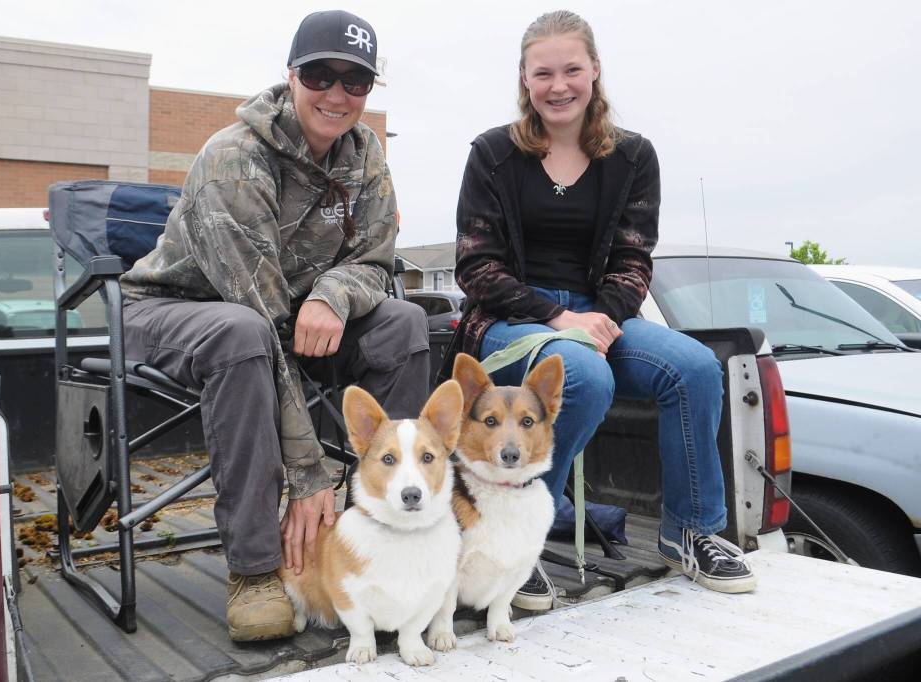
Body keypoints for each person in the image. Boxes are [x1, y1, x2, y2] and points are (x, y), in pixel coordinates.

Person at [119, 10, 430, 641]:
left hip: (285, 320)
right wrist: (308, 474)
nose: (337, 94)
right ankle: (257, 568)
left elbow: (374, 262)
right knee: (242, 334)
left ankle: (373, 533)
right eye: (320, 74)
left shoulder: (366, 154)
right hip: (174, 311)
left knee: (403, 322)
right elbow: (257, 315)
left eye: (357, 82)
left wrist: (334, 295)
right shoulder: (234, 160)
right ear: (290, 75)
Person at [454, 10, 756, 610]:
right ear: (524, 77)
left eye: (572, 69)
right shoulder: (492, 154)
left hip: (602, 317)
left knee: (694, 367)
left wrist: (600, 321)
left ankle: (691, 531)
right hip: (512, 321)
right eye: (544, 72)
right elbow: (476, 267)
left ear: (595, 70)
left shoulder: (633, 156)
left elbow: (633, 260)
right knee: (584, 375)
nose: (558, 85)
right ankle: (515, 536)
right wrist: (561, 321)